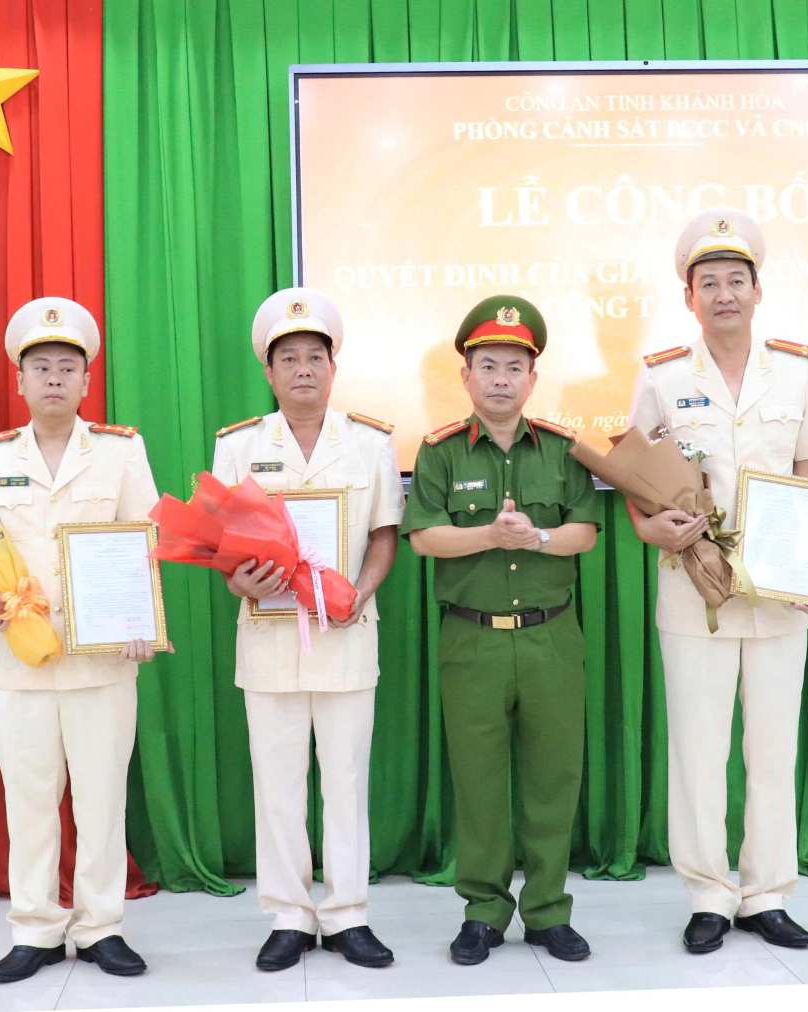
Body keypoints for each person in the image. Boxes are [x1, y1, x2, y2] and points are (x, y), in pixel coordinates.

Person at [615, 209, 808, 954]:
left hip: (779, 589)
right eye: (707, 282)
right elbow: (635, 479)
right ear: (689, 296)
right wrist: (651, 529)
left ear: (757, 290)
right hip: (694, 587)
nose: (722, 294)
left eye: (735, 281)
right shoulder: (662, 376)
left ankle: (767, 893)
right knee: (699, 745)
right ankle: (709, 895)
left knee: (773, 747)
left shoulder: (799, 372)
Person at [0, 297, 162, 984]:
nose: (52, 378)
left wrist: (140, 619)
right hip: (19, 663)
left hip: (103, 662)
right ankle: (36, 928)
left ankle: (101, 926)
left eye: (66, 367)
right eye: (39, 366)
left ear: (84, 380)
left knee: (102, 799)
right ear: (18, 381)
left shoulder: (121, 451)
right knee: (30, 800)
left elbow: (145, 540)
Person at [401, 295, 603, 966]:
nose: (500, 379)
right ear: (466, 376)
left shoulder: (564, 451)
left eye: (514, 367)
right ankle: (484, 912)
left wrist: (536, 537)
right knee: (479, 780)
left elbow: (585, 534)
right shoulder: (440, 454)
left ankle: (548, 911)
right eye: (486, 365)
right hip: (472, 639)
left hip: (551, 638)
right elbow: (425, 538)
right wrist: (489, 534)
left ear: (532, 378)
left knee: (554, 776)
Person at [212, 287, 403, 972]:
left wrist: (363, 590)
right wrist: (240, 580)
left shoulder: (371, 443)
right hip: (268, 638)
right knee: (278, 782)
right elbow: (224, 548)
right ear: (268, 372)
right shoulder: (238, 446)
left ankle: (348, 914)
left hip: (347, 633)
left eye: (314, 356)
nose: (301, 369)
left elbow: (385, 534)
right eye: (287, 358)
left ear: (333, 366)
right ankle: (290, 916)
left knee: (346, 780)